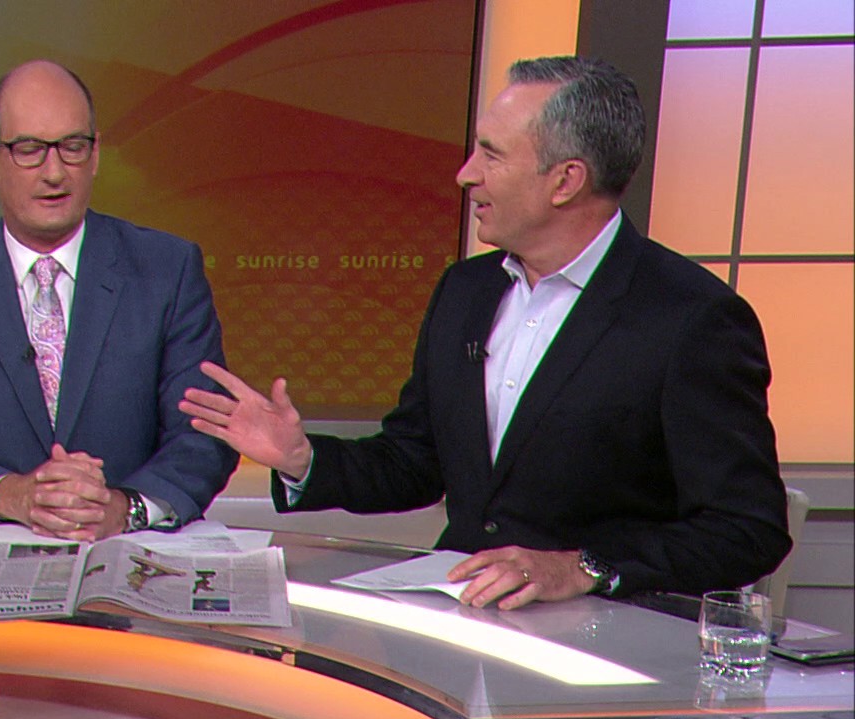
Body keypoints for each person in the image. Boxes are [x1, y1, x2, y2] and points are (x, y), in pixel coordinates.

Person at [180, 56, 789, 608]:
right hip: (464, 617)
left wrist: (582, 566)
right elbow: (416, 461)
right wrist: (303, 459)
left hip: (612, 636)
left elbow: (747, 529)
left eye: (491, 155)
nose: (465, 175)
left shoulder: (691, 318)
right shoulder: (466, 290)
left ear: (565, 181)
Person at [0, 60, 233, 540]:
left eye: (72, 147)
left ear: (95, 155)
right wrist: (16, 496)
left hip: (130, 552)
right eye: (29, 149)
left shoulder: (168, 271)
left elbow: (203, 439)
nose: (54, 173)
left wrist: (123, 508)